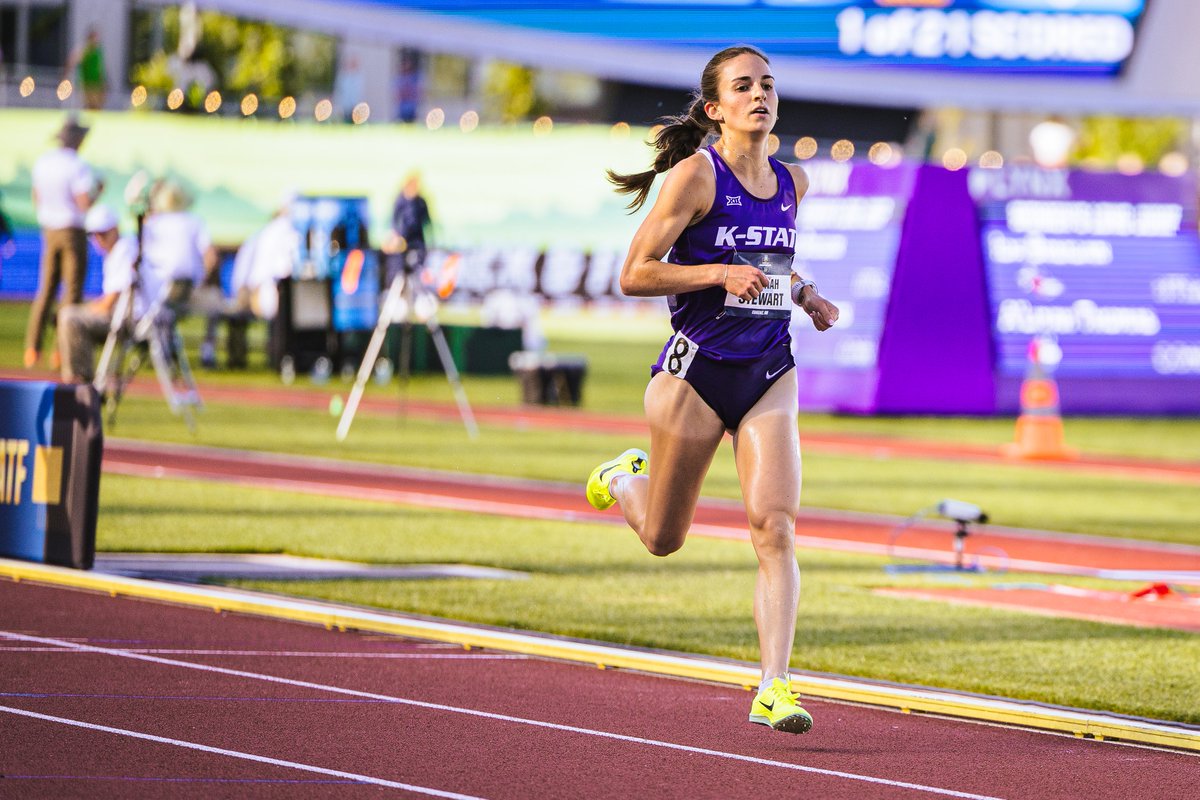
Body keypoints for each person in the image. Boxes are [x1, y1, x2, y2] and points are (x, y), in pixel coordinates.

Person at [586, 45, 839, 735]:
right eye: (743, 87)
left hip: (767, 370)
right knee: (665, 538)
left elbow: (772, 262)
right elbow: (635, 273)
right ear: (714, 109)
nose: (760, 95)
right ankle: (623, 476)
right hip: (693, 375)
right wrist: (716, 274)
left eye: (767, 84)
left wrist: (806, 293)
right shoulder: (695, 177)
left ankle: (774, 686)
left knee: (775, 527)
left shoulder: (795, 182)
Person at [57, 204, 164, 385]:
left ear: (114, 229)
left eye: (102, 233)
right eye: (94, 235)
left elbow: (109, 302)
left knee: (69, 317)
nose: (98, 239)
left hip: (131, 320)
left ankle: (79, 383)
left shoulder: (123, 250)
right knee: (71, 314)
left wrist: (85, 309)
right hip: (132, 317)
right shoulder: (122, 249)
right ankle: (81, 382)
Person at [26, 116, 98, 369]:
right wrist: (97, 192)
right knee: (72, 292)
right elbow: (84, 203)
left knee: (45, 289)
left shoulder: (44, 163)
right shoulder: (78, 166)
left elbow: (36, 197)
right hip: (72, 230)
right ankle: (61, 349)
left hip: (49, 229)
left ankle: (32, 347)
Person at [201, 198, 298, 368]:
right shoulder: (271, 233)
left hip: (266, 291)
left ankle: (275, 355)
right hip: (260, 292)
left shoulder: (268, 233)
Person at [388, 172, 433, 279]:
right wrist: (395, 236)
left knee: (419, 265)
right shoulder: (400, 200)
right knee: (400, 269)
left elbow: (427, 220)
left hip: (418, 239)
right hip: (403, 238)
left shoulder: (420, 202)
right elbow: (394, 219)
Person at [67, 28, 107, 111]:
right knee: (89, 106)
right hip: (87, 83)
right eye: (95, 38)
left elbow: (100, 68)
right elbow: (73, 60)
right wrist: (67, 75)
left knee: (98, 106)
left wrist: (103, 81)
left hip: (97, 83)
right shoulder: (85, 50)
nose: (96, 40)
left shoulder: (98, 51)